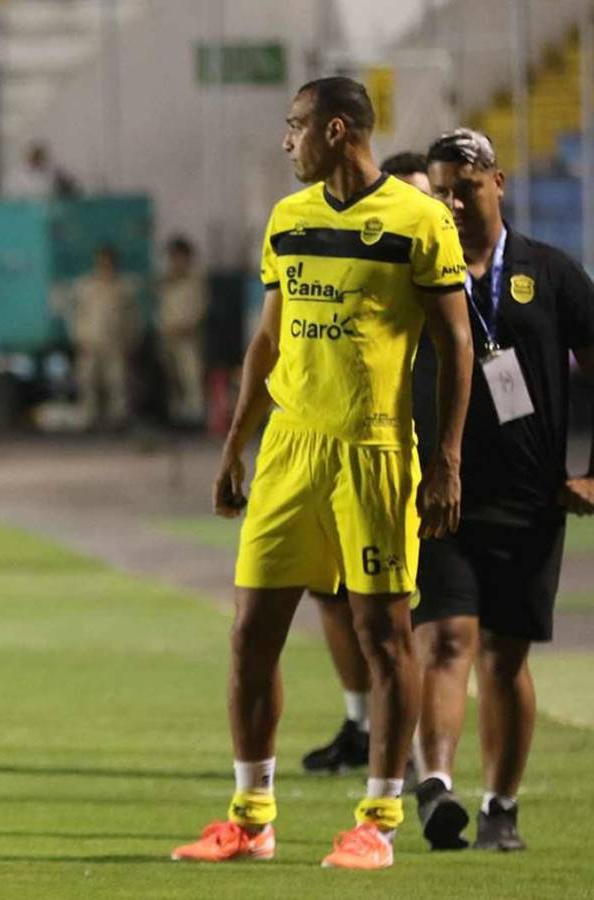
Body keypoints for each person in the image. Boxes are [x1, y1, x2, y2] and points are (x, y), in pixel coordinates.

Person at [170, 77, 473, 870]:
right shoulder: (288, 219)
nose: (286, 141)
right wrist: (236, 443)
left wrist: (445, 460)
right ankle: (252, 816)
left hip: (373, 452)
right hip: (289, 450)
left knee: (384, 635)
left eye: (295, 126)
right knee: (250, 636)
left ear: (337, 131)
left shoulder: (419, 222)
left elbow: (455, 344)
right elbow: (268, 342)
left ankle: (377, 820)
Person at [411, 128, 594, 852]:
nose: (454, 201)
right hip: (439, 495)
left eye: (467, 185)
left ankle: (501, 807)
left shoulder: (549, 273)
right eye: (443, 189)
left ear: (501, 182)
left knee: (506, 657)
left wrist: (592, 473)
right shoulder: (421, 275)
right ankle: (438, 791)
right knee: (448, 639)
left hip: (531, 497)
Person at [301, 150, 434, 776]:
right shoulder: (367, 263)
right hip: (351, 453)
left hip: (414, 461)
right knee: (332, 596)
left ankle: (421, 759)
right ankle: (362, 724)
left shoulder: (448, 276)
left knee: (411, 618)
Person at [66, 244, 139, 429]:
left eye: (108, 262)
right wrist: (77, 337)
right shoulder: (85, 286)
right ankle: (89, 418)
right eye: (101, 262)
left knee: (117, 382)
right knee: (87, 381)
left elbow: (132, 318)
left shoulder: (123, 288)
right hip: (90, 342)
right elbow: (75, 314)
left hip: (115, 343)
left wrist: (131, 341)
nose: (104, 266)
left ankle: (119, 418)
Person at [156, 235, 208, 425]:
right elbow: (160, 310)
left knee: (190, 375)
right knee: (172, 378)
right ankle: (176, 415)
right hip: (168, 337)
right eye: (173, 257)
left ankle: (195, 415)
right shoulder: (164, 283)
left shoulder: (195, 281)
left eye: (180, 257)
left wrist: (186, 327)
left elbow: (199, 309)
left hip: (188, 337)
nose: (177, 261)